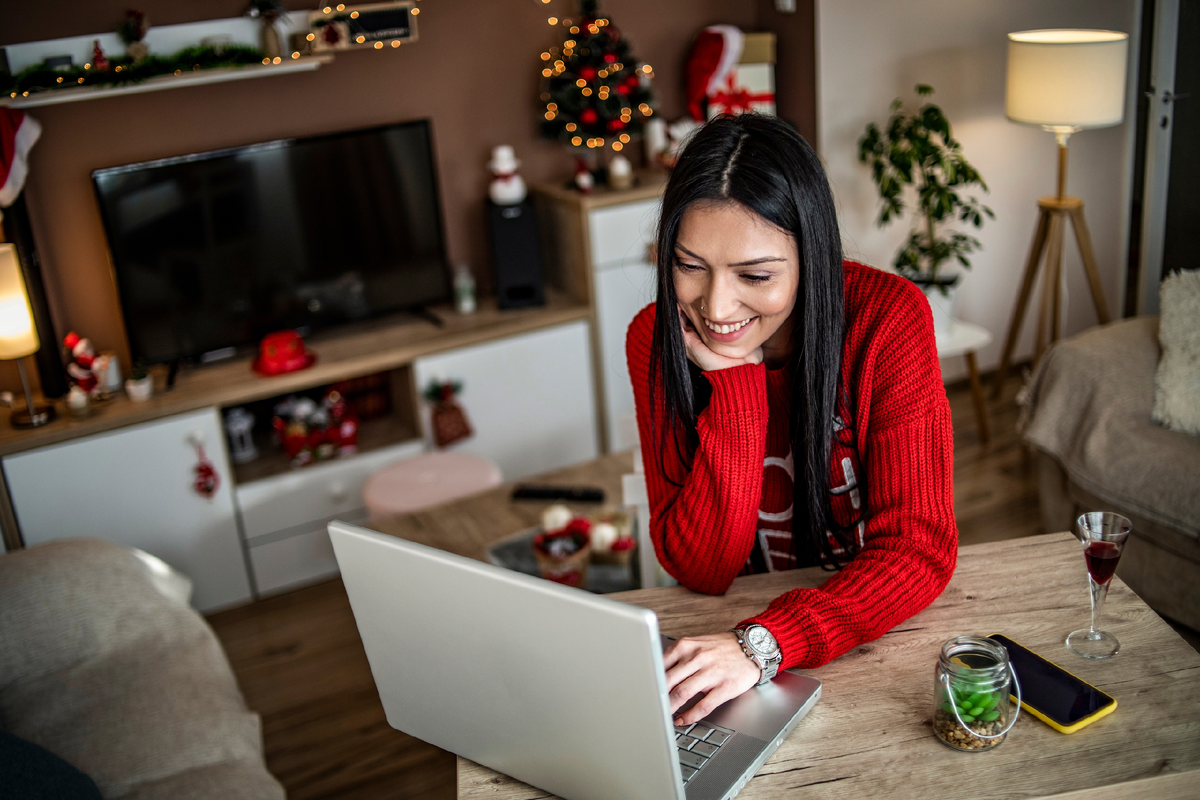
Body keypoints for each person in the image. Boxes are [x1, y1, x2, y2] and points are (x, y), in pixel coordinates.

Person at [626, 114, 957, 727]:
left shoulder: (887, 321)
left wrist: (764, 644)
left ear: (813, 254)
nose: (716, 307)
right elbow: (700, 568)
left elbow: (918, 549)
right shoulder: (656, 337)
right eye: (689, 265)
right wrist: (735, 385)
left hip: (861, 634)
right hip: (727, 642)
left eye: (755, 275)